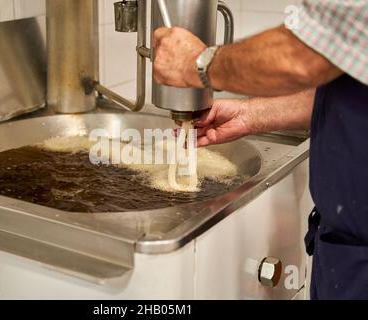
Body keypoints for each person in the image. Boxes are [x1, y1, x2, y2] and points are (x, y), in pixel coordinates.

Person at [153, 0, 368, 299]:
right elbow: (351, 76)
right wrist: (253, 114)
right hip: (347, 249)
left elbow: (300, 57)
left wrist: (197, 62)